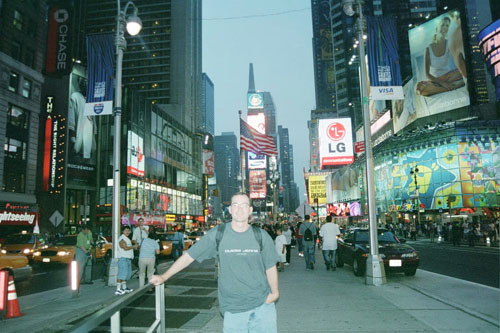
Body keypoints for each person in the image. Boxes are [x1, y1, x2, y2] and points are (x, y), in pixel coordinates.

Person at [150, 192, 279, 332]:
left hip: (262, 306)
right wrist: (164, 276)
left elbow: (270, 266)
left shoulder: (261, 236)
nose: (240, 208)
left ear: (250, 210)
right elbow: (189, 256)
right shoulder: (218, 234)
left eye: (244, 205)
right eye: (235, 205)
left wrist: (275, 293)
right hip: (233, 308)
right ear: (230, 210)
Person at [416, 16, 465, 97]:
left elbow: (460, 59)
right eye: (443, 25)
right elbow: (427, 74)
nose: (445, 28)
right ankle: (452, 87)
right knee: (419, 89)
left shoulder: (449, 43)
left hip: (449, 75)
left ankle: (450, 85)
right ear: (437, 27)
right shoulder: (428, 49)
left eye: (447, 26)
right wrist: (442, 83)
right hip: (435, 80)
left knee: (463, 71)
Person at [68, 76, 96, 163]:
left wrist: (94, 136)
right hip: (78, 136)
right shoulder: (75, 96)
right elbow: (71, 118)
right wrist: (72, 137)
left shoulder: (90, 100)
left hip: (89, 139)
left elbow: (93, 121)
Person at [116, 226, 139, 296]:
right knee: (121, 274)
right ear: (123, 231)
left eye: (128, 230)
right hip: (123, 259)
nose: (127, 232)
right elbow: (125, 248)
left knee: (126, 274)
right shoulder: (122, 239)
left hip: (127, 259)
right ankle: (118, 289)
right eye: (126, 230)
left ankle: (124, 288)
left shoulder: (127, 238)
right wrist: (134, 246)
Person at [74, 224, 94, 290]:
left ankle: (88, 280)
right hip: (81, 251)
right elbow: (81, 246)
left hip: (87, 249)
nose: (87, 231)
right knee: (80, 266)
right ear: (83, 230)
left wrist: (93, 242)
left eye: (88, 230)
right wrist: (87, 253)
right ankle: (78, 281)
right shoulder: (80, 235)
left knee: (89, 265)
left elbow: (91, 239)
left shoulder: (89, 232)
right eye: (86, 230)